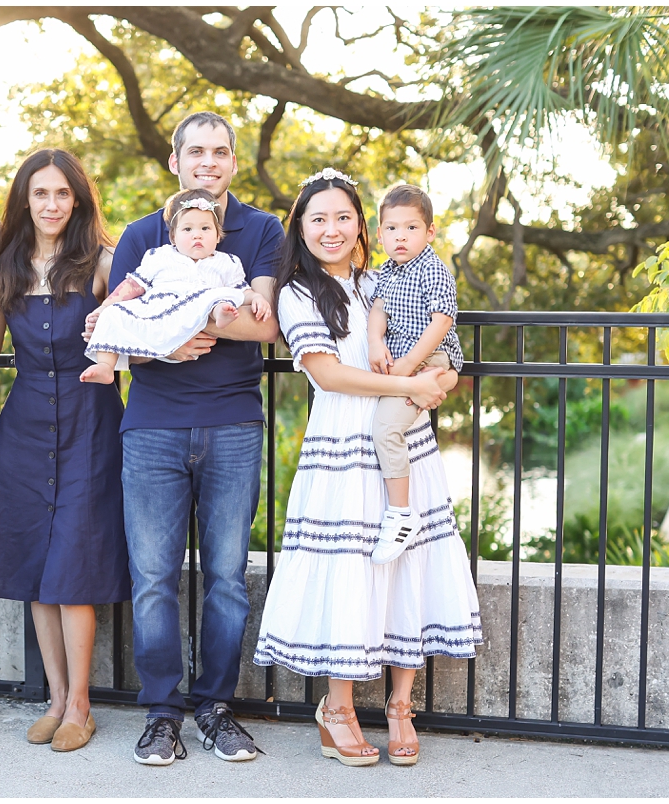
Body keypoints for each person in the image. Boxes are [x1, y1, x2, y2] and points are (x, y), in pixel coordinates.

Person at [253, 167, 482, 768]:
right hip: (342, 446)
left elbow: (440, 343)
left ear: (362, 225)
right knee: (350, 570)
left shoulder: (384, 279)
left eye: (343, 217)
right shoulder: (298, 292)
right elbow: (327, 373)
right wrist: (405, 379)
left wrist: (440, 379)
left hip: (405, 442)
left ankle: (402, 708)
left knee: (409, 565)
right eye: (318, 218)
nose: (331, 229)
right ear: (300, 227)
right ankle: (338, 709)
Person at [88, 111, 283, 766]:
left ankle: (216, 706)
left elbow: (262, 325)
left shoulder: (259, 230)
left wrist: (166, 325)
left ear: (233, 162)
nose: (208, 160)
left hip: (232, 422)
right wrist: (165, 346)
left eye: (220, 151)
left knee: (227, 577)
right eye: (195, 151)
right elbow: (115, 315)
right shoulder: (146, 232)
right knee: (153, 579)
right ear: (175, 161)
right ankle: (162, 711)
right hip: (151, 428)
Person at [0, 148, 131, 753]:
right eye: (39, 194)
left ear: (78, 200)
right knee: (37, 571)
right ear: (24, 201)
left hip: (91, 424)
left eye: (61, 194)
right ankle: (54, 698)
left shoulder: (103, 263)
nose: (50, 205)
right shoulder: (0, 272)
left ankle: (81, 708)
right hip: (24, 429)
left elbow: (133, 337)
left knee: (74, 566)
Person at [367, 183, 465, 564]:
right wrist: (377, 343)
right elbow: (379, 310)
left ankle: (401, 515)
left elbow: (442, 321)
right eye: (392, 229)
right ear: (380, 234)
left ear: (430, 232)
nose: (400, 237)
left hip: (432, 358)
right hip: (403, 364)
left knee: (387, 428)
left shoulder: (433, 269)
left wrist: (409, 367)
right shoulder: (387, 273)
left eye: (411, 228)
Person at [81, 188, 271, 384]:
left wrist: (256, 297)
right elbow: (133, 284)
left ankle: (221, 313)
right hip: (159, 312)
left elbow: (241, 290)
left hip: (203, 307)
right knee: (113, 314)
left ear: (218, 236)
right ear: (173, 237)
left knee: (216, 296)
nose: (197, 235)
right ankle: (105, 366)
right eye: (187, 229)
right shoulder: (161, 256)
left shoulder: (226, 262)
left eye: (205, 229)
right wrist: (105, 307)